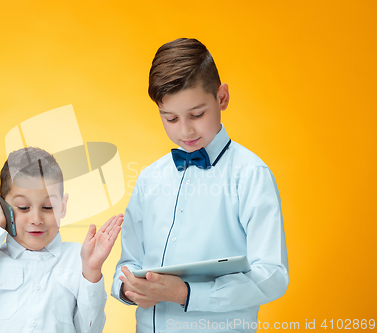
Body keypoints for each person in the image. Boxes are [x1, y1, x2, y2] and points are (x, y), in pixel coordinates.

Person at [111, 38, 288, 333]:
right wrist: (129, 289)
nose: (185, 130)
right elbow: (128, 263)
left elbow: (272, 275)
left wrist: (184, 294)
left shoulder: (251, 174)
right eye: (170, 118)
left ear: (222, 98)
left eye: (196, 114)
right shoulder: (149, 178)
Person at [0, 147, 123, 333]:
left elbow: (90, 330)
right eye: (23, 207)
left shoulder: (79, 258)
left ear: (62, 207)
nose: (36, 219)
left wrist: (92, 272)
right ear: (2, 206)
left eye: (47, 207)